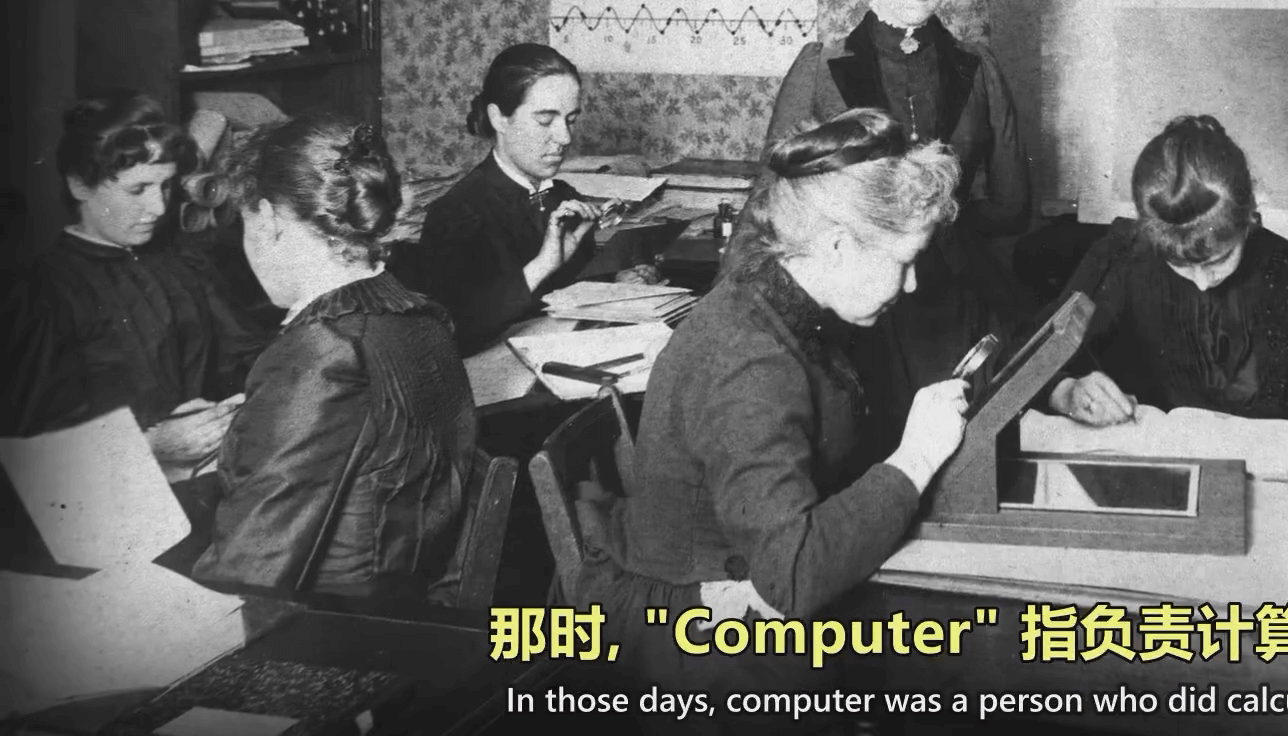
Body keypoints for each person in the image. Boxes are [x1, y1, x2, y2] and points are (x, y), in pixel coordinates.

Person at [574, 109, 968, 723]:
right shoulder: (751, 363)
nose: (912, 284)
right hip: (685, 627)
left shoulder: (780, 300)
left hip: (732, 583)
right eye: (904, 260)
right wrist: (916, 458)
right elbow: (792, 574)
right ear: (837, 246)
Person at [764, 0, 1031, 457]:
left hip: (957, 319)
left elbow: (1015, 209)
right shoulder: (818, 70)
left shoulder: (979, 69)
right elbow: (769, 218)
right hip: (850, 326)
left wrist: (936, 231)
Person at [193, 118, 477, 599]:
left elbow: (249, 566)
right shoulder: (420, 315)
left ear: (267, 220)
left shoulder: (322, 350)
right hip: (408, 592)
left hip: (334, 620)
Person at [1042, 116, 1288, 433]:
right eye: (1180, 264)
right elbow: (1028, 363)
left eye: (1218, 260)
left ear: (1248, 216)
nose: (1201, 282)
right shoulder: (1124, 259)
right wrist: (1067, 392)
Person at [0, 93, 262, 482]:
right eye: (137, 190)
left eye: (166, 186)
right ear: (80, 186)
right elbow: (24, 457)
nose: (158, 208)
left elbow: (245, 356)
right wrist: (150, 446)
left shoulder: (182, 260)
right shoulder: (43, 294)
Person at [408, 44, 598, 355]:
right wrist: (541, 266)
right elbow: (451, 331)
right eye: (545, 120)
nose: (565, 137)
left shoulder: (562, 195)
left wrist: (621, 284)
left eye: (571, 119)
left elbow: (572, 290)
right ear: (499, 119)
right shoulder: (457, 213)